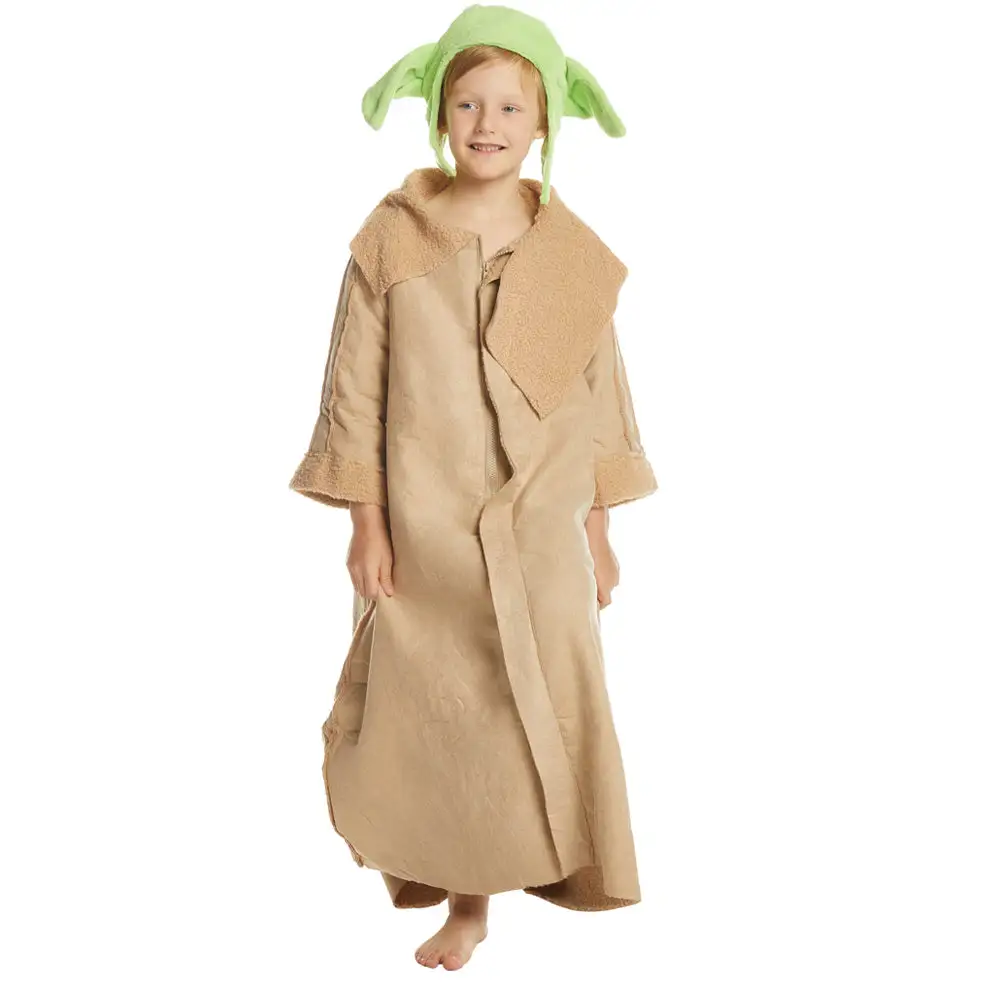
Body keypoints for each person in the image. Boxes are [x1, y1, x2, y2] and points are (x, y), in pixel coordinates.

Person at [289, 4, 658, 972]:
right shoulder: (393, 241)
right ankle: (466, 901)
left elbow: (598, 397)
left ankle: (556, 862)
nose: (486, 124)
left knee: (543, 701)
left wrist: (597, 531)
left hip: (539, 535)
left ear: (543, 123)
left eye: (508, 107)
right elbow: (354, 390)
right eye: (466, 103)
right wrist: (366, 524)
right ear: (438, 112)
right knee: (445, 715)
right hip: (429, 533)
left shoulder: (567, 254)